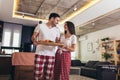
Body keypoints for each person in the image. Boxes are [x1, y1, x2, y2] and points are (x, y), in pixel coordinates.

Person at [31, 13, 60, 80]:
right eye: (57, 20)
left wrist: (60, 43)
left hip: (51, 55)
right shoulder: (40, 26)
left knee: (48, 76)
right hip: (40, 53)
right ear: (52, 18)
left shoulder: (57, 29)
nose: (58, 22)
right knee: (37, 75)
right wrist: (34, 40)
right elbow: (33, 37)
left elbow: (57, 41)